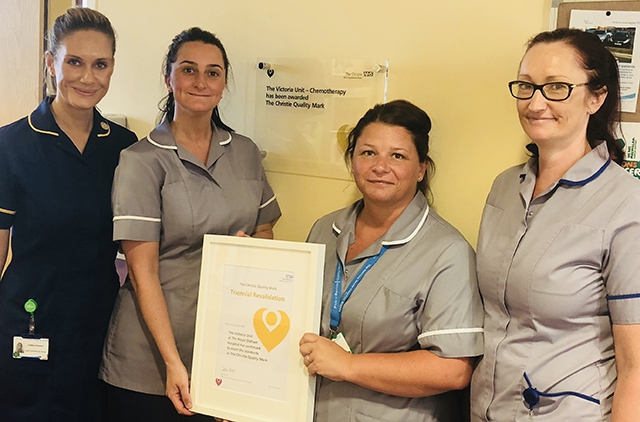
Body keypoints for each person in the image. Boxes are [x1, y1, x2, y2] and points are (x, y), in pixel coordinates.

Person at [99, 27, 281, 421]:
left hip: (224, 347)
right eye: (188, 70)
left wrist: (250, 248)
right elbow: (142, 270)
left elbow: (266, 232)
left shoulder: (246, 152)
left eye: (213, 72)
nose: (201, 82)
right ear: (169, 78)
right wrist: (172, 361)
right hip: (149, 360)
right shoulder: (141, 160)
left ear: (225, 82)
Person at [471, 28, 640, 421]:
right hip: (487, 408)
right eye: (526, 87)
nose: (536, 103)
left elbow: (636, 366)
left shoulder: (625, 204)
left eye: (557, 88)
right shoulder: (503, 188)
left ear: (595, 98)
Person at [299, 100, 484, 421]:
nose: (380, 166)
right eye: (368, 152)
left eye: (397, 156)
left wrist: (348, 365)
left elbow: (453, 369)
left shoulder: (446, 252)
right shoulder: (323, 230)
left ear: (422, 168)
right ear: (352, 159)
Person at [0, 7, 137, 421]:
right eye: (74, 62)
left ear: (112, 68)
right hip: (27, 319)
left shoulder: (125, 149)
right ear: (50, 63)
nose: (87, 77)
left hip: (99, 322)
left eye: (101, 65)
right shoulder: (12, 144)